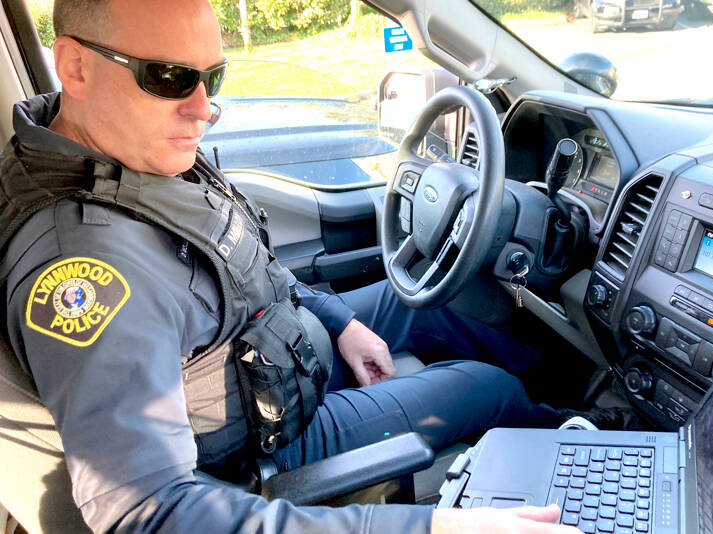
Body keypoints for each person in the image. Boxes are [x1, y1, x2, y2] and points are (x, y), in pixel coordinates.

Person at [0, 1, 591, 532]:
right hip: (270, 434)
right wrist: (429, 528)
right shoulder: (86, 269)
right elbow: (149, 509)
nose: (205, 109)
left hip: (272, 353)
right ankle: (587, 446)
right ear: (75, 67)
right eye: (169, 77)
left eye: (213, 77)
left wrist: (341, 323)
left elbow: (241, 259)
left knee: (417, 301)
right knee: (488, 387)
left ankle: (573, 385)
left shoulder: (121, 153)